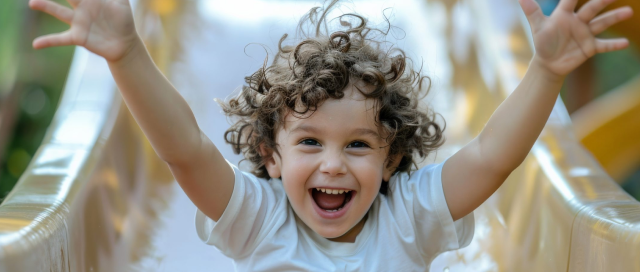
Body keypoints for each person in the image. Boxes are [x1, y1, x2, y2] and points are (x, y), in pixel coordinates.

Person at [29, 0, 633, 270]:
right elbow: (185, 149)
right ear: (270, 153)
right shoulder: (258, 219)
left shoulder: (409, 214)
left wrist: (545, 72)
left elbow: (494, 155)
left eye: (359, 145)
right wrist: (128, 52)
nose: (334, 166)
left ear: (393, 156)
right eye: (310, 142)